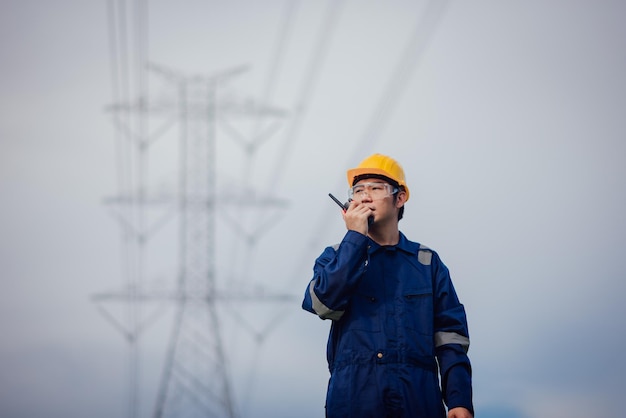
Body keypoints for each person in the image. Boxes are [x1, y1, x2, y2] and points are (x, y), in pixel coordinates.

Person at [302, 153, 473, 418]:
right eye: (357, 190)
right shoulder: (336, 256)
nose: (365, 196)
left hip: (419, 401)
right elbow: (323, 305)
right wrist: (355, 239)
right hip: (354, 400)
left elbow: (451, 337)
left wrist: (459, 399)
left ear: (400, 197)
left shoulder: (427, 263)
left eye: (375, 188)